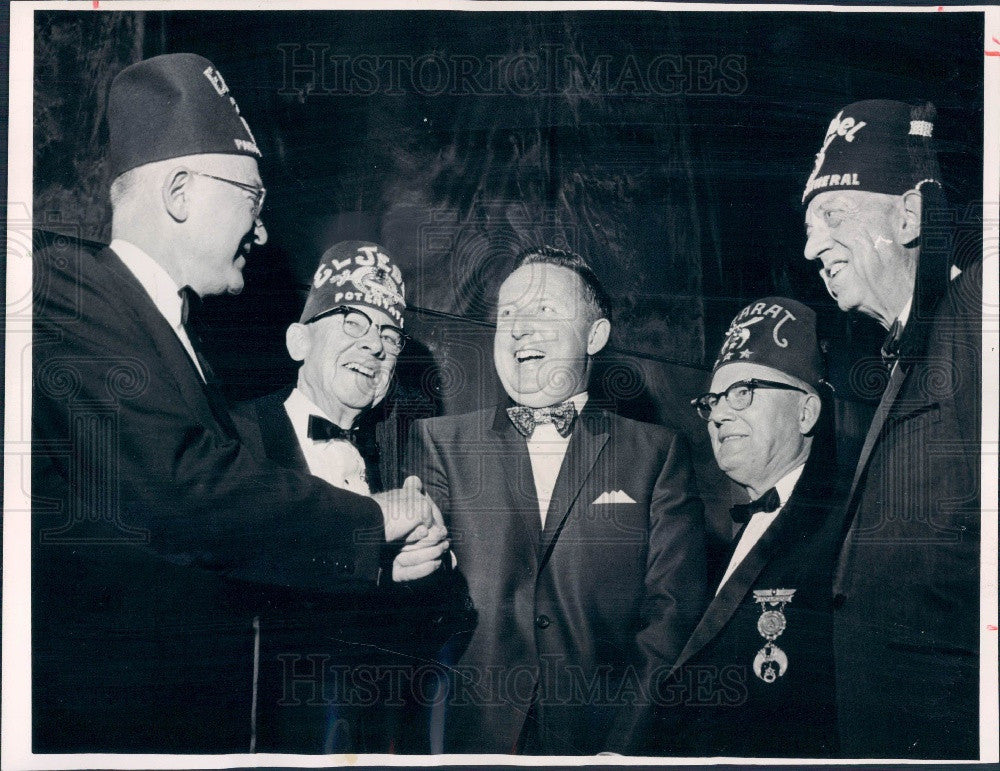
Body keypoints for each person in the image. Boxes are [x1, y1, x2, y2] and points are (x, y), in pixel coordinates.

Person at [31, 53, 438, 753]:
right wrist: (372, 523)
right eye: (251, 201)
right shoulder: (67, 290)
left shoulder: (179, 337)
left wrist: (380, 560)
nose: (262, 232)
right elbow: (182, 487)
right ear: (181, 192)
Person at [405, 246, 707, 754]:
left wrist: (624, 748)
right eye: (508, 315)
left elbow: (673, 614)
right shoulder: (438, 443)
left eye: (543, 311)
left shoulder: (656, 453)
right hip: (473, 743)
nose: (519, 328)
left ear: (596, 335)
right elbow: (419, 610)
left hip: (603, 744)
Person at [802, 99, 981, 758]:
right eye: (808, 224)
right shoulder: (910, 354)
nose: (811, 246)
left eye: (832, 216)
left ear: (909, 215)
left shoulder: (982, 317)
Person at [232, 240, 460, 753]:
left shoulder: (403, 465)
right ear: (298, 341)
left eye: (389, 336)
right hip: (259, 739)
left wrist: (432, 564)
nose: (375, 346)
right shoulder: (232, 439)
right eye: (352, 322)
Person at [649, 297, 844, 757]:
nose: (717, 415)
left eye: (743, 392)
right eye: (713, 400)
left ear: (806, 412)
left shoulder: (844, 532)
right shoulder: (730, 537)